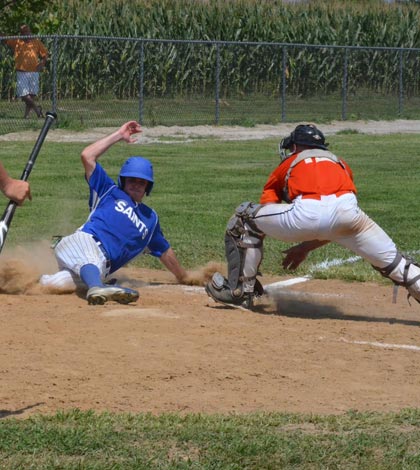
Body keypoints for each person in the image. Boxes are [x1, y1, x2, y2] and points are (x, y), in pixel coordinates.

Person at [205, 123, 420, 308]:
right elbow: (334, 221)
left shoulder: (288, 163)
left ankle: (241, 290)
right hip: (351, 218)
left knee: (244, 218)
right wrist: (306, 246)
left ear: (295, 147)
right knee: (399, 266)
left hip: (303, 215)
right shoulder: (340, 163)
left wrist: (260, 249)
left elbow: (268, 210)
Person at [40, 121, 190, 305]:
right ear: (123, 181)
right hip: (84, 242)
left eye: (141, 182)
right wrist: (119, 135)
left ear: (147, 187)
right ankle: (98, 287)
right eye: (131, 180)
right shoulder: (108, 191)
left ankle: (12, 277)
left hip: (99, 268)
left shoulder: (151, 220)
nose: (136, 184)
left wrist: (185, 277)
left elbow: (165, 252)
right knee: (90, 262)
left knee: (56, 284)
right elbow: (87, 156)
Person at [5, 24, 48, 119]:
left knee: (32, 94)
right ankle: (37, 109)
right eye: (24, 32)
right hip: (22, 72)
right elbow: (5, 39)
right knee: (23, 95)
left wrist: (42, 63)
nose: (26, 33)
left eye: (27, 31)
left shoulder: (36, 41)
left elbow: (45, 54)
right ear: (21, 33)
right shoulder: (17, 41)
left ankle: (26, 116)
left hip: (34, 71)